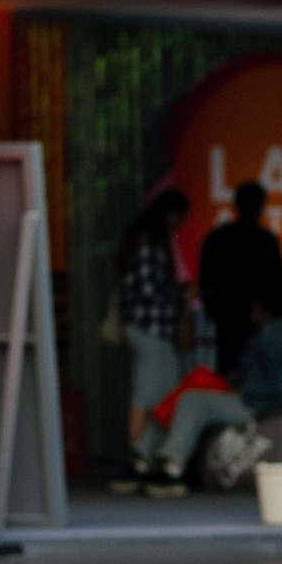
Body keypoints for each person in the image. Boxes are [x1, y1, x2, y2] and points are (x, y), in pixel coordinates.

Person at [133, 289, 282, 496]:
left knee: (192, 400)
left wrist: (243, 391)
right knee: (194, 382)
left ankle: (170, 466)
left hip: (255, 403)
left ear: (259, 308)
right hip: (248, 394)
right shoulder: (268, 332)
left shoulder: (277, 334)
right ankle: (143, 457)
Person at [111, 187, 192, 492]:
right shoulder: (149, 241)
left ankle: (144, 457)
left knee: (161, 394)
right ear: (169, 213)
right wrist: (180, 295)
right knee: (147, 396)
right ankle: (138, 460)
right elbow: (149, 289)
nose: (179, 223)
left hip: (151, 328)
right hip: (149, 327)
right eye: (179, 216)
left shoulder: (146, 239)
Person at [198, 180, 282, 392]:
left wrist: (216, 310)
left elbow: (206, 282)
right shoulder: (266, 241)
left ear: (235, 205)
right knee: (260, 377)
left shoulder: (217, 238)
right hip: (259, 321)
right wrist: (273, 312)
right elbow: (278, 285)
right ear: (261, 206)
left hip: (227, 321)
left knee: (230, 376)